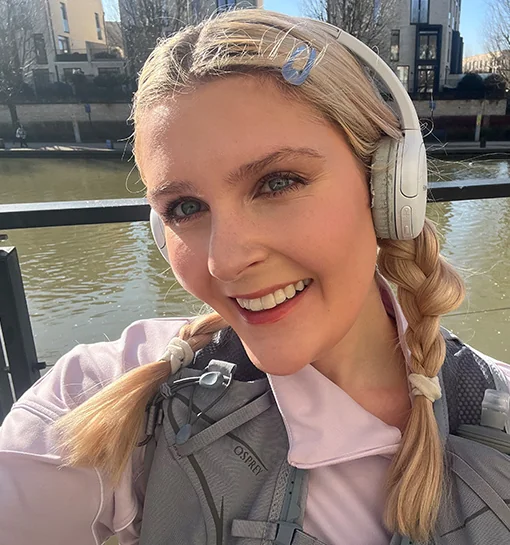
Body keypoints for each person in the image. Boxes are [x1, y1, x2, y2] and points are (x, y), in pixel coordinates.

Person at [1, 9, 509, 545]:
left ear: (388, 188)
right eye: (185, 207)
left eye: (277, 182)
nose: (225, 261)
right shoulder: (94, 403)